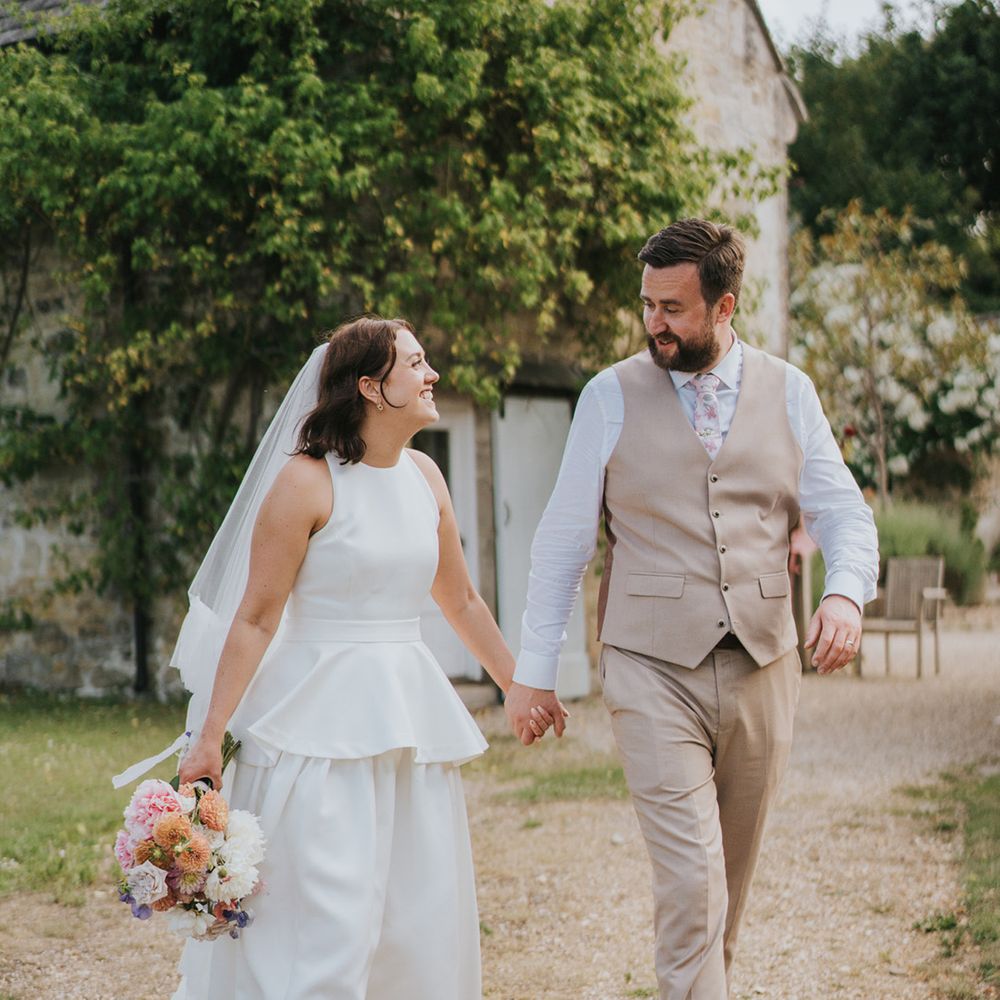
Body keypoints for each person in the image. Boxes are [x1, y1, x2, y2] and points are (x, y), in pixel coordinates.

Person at [504, 219, 879, 998]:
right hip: (650, 667)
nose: (655, 323)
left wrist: (844, 593)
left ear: (724, 305)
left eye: (673, 308)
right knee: (693, 878)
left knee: (726, 890)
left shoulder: (790, 391)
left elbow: (843, 512)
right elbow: (564, 541)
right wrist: (535, 671)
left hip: (764, 665)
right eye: (647, 305)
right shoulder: (608, 396)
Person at [170, 316, 561, 1000]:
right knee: (326, 923)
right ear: (371, 388)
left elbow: (461, 599)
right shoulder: (305, 482)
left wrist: (517, 685)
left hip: (407, 729)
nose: (431, 374)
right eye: (415, 362)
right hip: (315, 735)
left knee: (415, 922)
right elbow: (256, 618)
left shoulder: (426, 476)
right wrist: (209, 736)